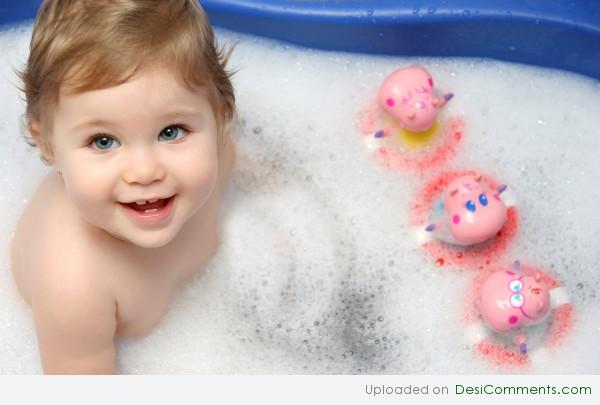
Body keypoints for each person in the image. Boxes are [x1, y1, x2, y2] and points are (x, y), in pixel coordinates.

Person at [11, 0, 236, 374]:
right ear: (48, 143)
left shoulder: (213, 160)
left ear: (220, 117)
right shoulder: (74, 287)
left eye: (170, 132)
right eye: (103, 141)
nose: (145, 172)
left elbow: (264, 172)